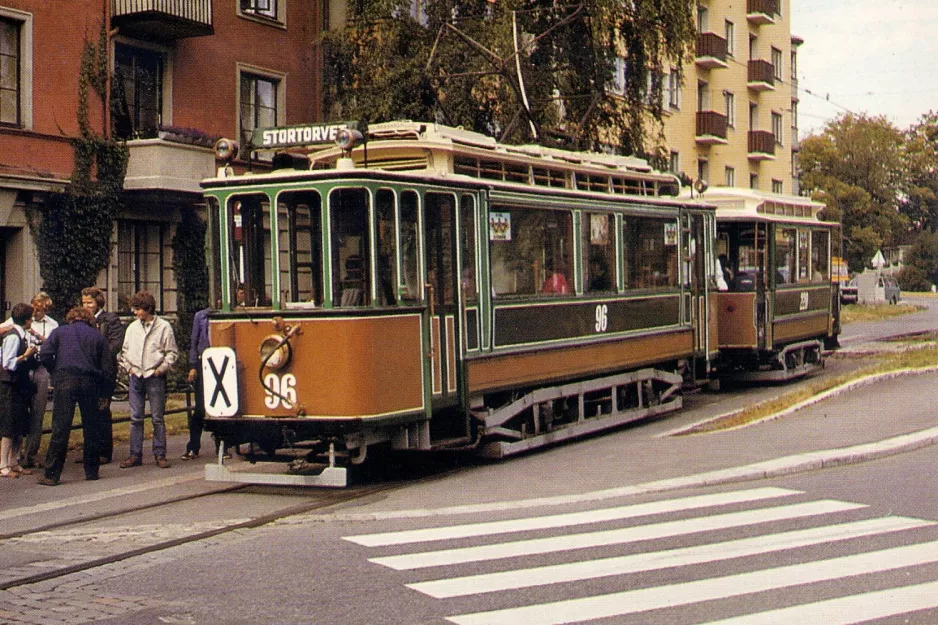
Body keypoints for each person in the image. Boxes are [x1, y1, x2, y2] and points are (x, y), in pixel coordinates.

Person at [37, 307, 113, 485]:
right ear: (88, 320)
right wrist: (105, 393)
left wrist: (54, 370)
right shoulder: (97, 337)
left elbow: (45, 354)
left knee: (60, 427)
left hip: (65, 380)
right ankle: (91, 471)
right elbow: (108, 369)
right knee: (91, 427)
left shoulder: (59, 332)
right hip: (90, 382)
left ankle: (52, 474)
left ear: (70, 318)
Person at [118, 291, 178, 469]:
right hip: (136, 375)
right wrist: (129, 368)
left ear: (147, 309)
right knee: (135, 417)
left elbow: (172, 352)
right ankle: (135, 454)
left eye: (137, 309)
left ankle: (160, 453)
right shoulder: (132, 328)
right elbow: (124, 351)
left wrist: (160, 370)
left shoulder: (164, 327)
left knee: (157, 417)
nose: (135, 313)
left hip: (154, 376)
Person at [0, 292, 58, 469]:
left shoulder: (52, 324)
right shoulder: (16, 325)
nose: (37, 313)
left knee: (36, 414)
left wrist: (39, 338)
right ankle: (11, 459)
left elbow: (53, 345)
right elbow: (8, 359)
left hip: (39, 368)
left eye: (41, 309)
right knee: (15, 414)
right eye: (35, 309)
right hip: (20, 373)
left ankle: (29, 454)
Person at [81, 286, 125, 464]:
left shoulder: (110, 319)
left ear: (98, 302)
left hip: (104, 370)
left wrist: (99, 356)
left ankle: (104, 451)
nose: (86, 306)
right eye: (83, 303)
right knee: (87, 411)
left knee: (102, 409)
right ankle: (90, 450)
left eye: (89, 303)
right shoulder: (82, 320)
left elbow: (116, 343)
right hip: (87, 370)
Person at [0, 303, 38, 478]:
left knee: (20, 423)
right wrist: (26, 356)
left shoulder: (21, 335)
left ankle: (13, 460)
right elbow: (7, 363)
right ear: (27, 319)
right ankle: (3, 464)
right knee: (9, 424)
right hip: (10, 385)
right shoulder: (14, 337)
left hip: (20, 384)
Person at [181, 306, 210, 460]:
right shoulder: (201, 316)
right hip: (204, 362)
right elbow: (194, 342)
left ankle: (223, 445)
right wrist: (193, 366)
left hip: (224, 361)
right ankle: (193, 446)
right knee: (200, 407)